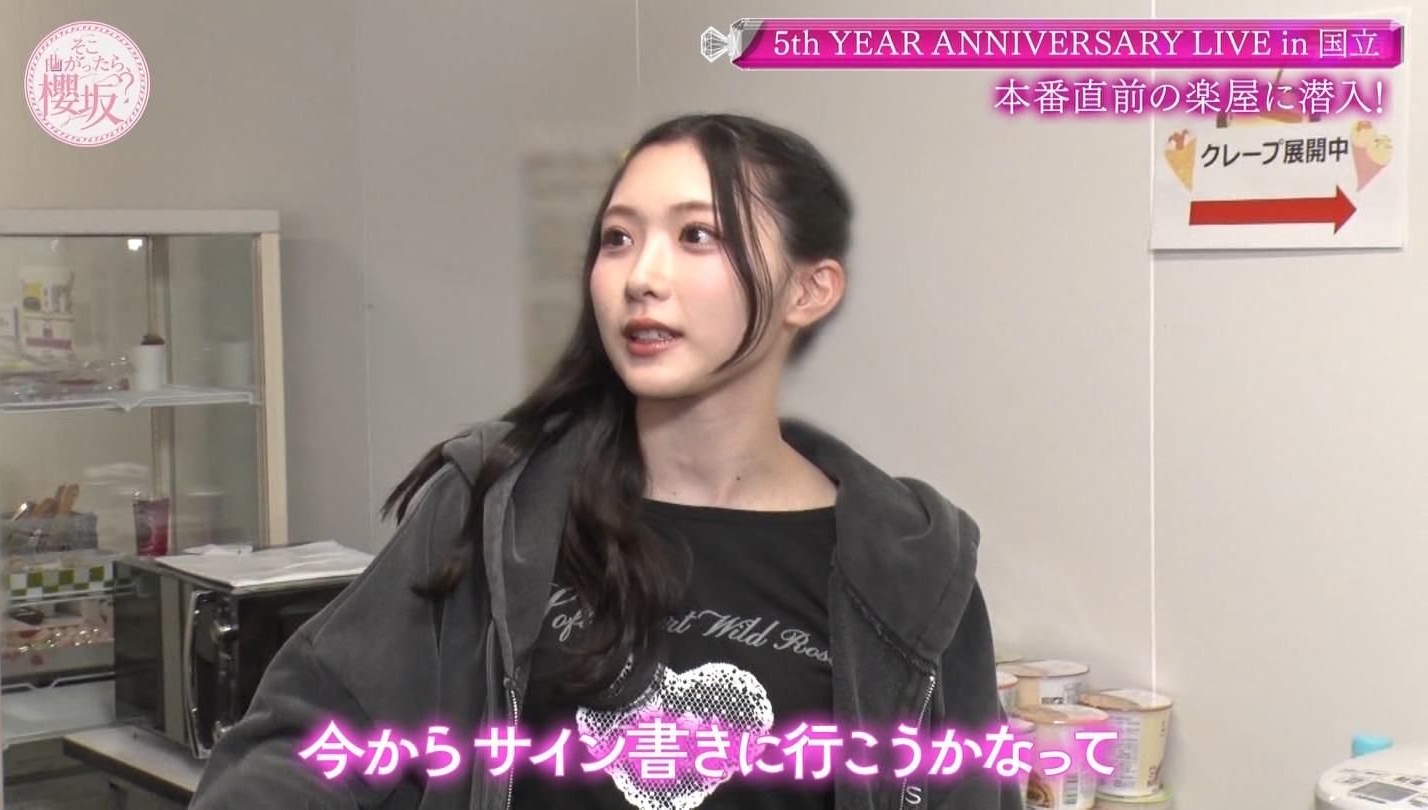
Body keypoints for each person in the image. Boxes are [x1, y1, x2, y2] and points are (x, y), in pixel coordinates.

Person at [189, 112, 1020, 810]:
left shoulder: (908, 569)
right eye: (618, 239)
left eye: (697, 236)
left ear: (810, 290)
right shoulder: (500, 510)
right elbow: (308, 741)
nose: (640, 277)